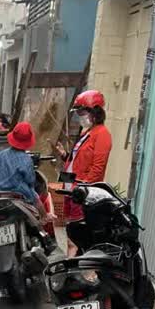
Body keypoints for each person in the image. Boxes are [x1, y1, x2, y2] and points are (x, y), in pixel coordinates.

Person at [55, 89, 113, 252]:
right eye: (78, 113)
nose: (79, 116)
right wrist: (65, 155)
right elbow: (78, 160)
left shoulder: (102, 134)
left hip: (80, 190)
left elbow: (97, 168)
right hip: (69, 185)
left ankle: (75, 262)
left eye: (82, 112)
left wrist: (82, 188)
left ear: (95, 112)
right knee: (66, 230)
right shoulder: (86, 132)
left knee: (76, 233)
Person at [0, 122, 40, 206]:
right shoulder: (26, 159)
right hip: (19, 196)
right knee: (36, 199)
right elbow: (30, 181)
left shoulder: (1, 154)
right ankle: (44, 214)